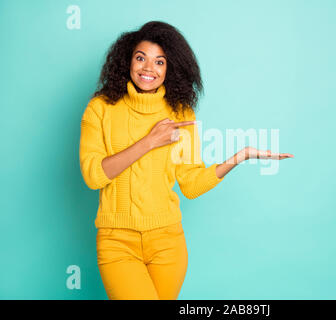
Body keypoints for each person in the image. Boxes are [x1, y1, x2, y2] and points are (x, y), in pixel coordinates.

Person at [79, 21, 294, 300]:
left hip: (168, 243)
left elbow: (191, 184)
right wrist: (149, 141)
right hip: (117, 242)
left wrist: (240, 156)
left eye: (160, 62)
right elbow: (94, 176)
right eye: (140, 58)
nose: (148, 68)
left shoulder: (181, 113)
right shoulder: (100, 109)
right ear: (127, 60)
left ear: (169, 69)